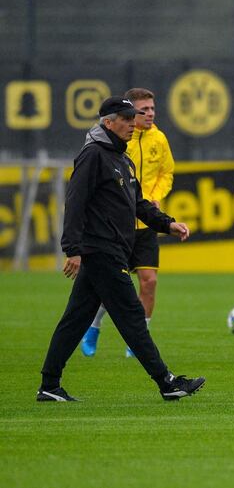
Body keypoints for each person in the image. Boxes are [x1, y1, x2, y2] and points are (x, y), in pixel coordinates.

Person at [37, 96, 204, 402]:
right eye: (126, 119)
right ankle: (167, 382)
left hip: (112, 250)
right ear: (108, 122)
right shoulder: (93, 156)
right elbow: (75, 203)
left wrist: (168, 224)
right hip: (101, 251)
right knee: (131, 317)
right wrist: (72, 248)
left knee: (75, 320)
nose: (132, 124)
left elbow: (138, 204)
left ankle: (49, 385)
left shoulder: (121, 159)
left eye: (133, 118)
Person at [81, 88, 175, 358]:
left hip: (145, 224)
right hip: (118, 227)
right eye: (143, 110)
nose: (149, 114)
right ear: (129, 114)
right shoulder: (121, 140)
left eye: (153, 109)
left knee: (149, 281)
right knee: (111, 284)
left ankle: (138, 339)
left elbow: (167, 172)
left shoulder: (160, 139)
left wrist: (156, 197)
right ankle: (94, 326)